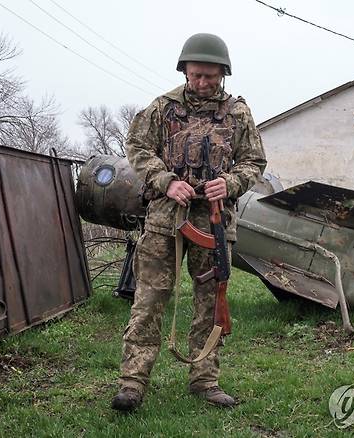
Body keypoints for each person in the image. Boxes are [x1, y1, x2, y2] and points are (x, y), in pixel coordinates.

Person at [112, 33, 266, 412]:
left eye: (211, 77)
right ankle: (132, 383)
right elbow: (137, 147)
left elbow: (254, 162)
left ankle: (204, 379)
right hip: (166, 219)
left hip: (213, 223)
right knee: (148, 301)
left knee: (210, 304)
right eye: (196, 75)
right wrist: (167, 181)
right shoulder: (162, 108)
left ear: (223, 74)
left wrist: (229, 182)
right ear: (185, 71)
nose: (202, 83)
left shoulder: (238, 113)